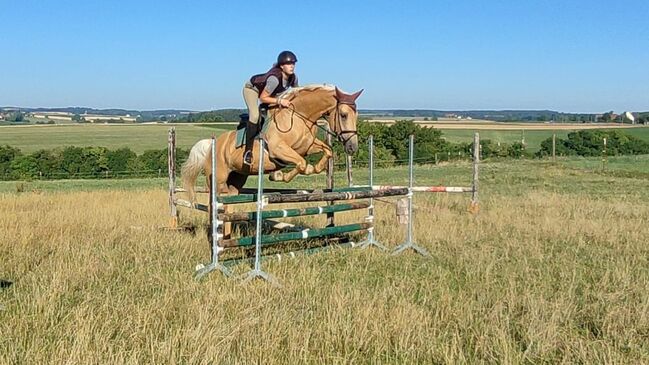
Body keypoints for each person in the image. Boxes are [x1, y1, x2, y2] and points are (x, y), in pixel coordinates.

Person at [242, 50, 299, 165]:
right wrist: (280, 101)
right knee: (254, 115)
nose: (292, 66)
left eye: (293, 63)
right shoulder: (274, 79)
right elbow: (263, 98)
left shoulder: (293, 78)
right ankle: (248, 152)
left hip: (270, 93)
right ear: (282, 66)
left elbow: (296, 93)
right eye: (288, 64)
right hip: (252, 89)